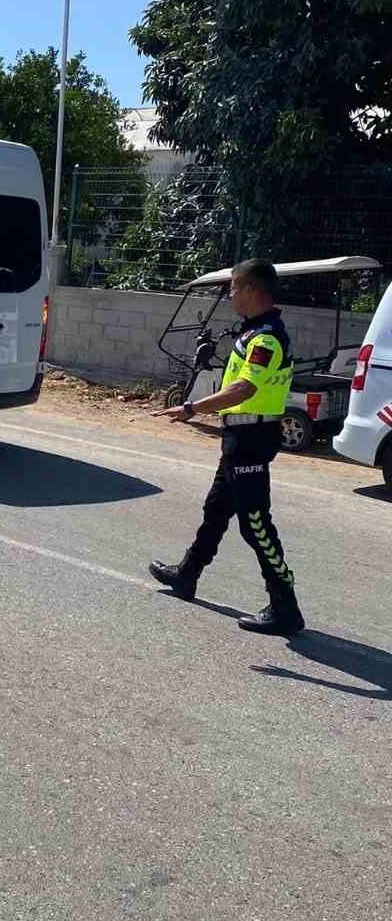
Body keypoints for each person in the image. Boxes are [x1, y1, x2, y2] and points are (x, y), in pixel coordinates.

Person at [149, 258, 305, 637]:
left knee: (255, 525)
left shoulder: (266, 337)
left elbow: (243, 389)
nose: (231, 294)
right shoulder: (252, 333)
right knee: (217, 509)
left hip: (252, 440)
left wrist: (192, 408)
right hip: (239, 436)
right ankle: (187, 575)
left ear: (252, 290)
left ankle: (286, 607)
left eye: (234, 287)